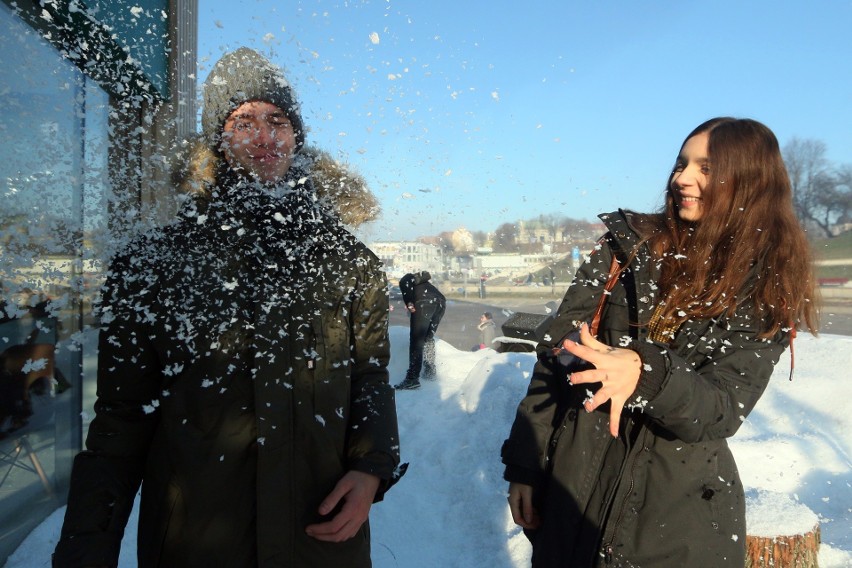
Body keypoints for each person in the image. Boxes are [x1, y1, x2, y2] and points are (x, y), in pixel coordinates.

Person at [53, 47, 402, 568]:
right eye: (243, 121)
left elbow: (369, 375)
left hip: (320, 539)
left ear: (296, 134)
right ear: (218, 139)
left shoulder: (345, 260)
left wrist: (372, 465)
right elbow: (121, 420)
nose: (265, 136)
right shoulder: (156, 265)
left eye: (277, 120)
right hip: (194, 546)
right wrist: (86, 548)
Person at [501, 117, 818, 567]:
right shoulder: (624, 248)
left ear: (749, 182)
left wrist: (645, 373)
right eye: (681, 163)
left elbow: (721, 408)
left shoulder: (764, 287)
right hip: (572, 494)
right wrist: (526, 465)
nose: (681, 178)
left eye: (705, 168)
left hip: (674, 522)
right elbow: (556, 357)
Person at [395, 271, 445, 390]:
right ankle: (429, 371)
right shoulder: (426, 284)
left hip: (424, 302)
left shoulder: (409, 277)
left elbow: (403, 282)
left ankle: (412, 379)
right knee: (428, 338)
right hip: (441, 302)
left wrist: (409, 303)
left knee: (417, 340)